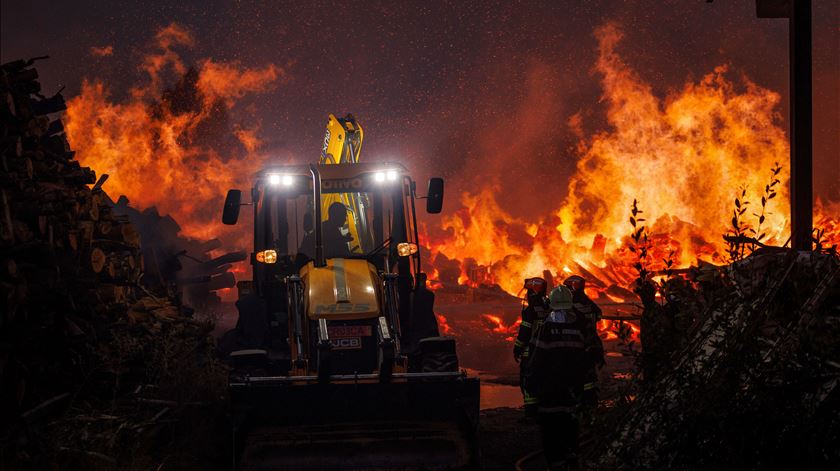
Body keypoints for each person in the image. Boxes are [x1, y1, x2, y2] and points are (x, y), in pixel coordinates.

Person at [524, 285, 599, 470]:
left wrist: (531, 399)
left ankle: (556, 465)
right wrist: (589, 393)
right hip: (572, 394)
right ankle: (571, 462)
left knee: (551, 436)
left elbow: (535, 363)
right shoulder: (579, 329)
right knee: (570, 432)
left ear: (551, 304)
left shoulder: (546, 329)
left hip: (549, 394)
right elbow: (588, 363)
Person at [564, 275, 604, 409]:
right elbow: (598, 314)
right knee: (590, 376)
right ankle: (591, 403)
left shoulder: (571, 304)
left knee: (577, 376)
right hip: (592, 344)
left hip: (578, 346)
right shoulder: (587, 302)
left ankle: (580, 405)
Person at [514, 277, 549, 416]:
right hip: (547, 351)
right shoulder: (548, 306)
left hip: (531, 352)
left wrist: (517, 348)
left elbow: (524, 332)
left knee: (528, 382)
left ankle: (531, 413)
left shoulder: (531, 310)